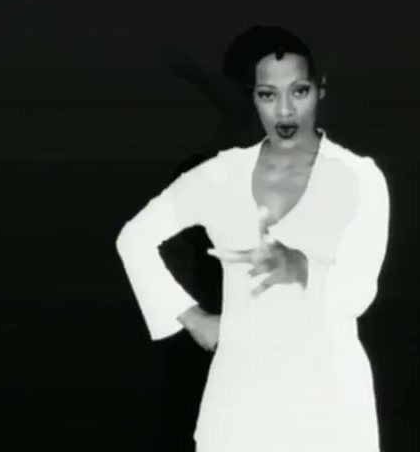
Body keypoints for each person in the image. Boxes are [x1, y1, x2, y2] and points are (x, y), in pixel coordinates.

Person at [116, 25, 391, 452]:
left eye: (299, 91)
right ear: (254, 98)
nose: (285, 109)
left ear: (320, 90)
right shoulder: (220, 175)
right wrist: (192, 318)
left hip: (329, 403)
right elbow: (133, 239)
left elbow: (360, 293)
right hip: (239, 404)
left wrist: (302, 267)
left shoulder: (359, 177)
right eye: (268, 94)